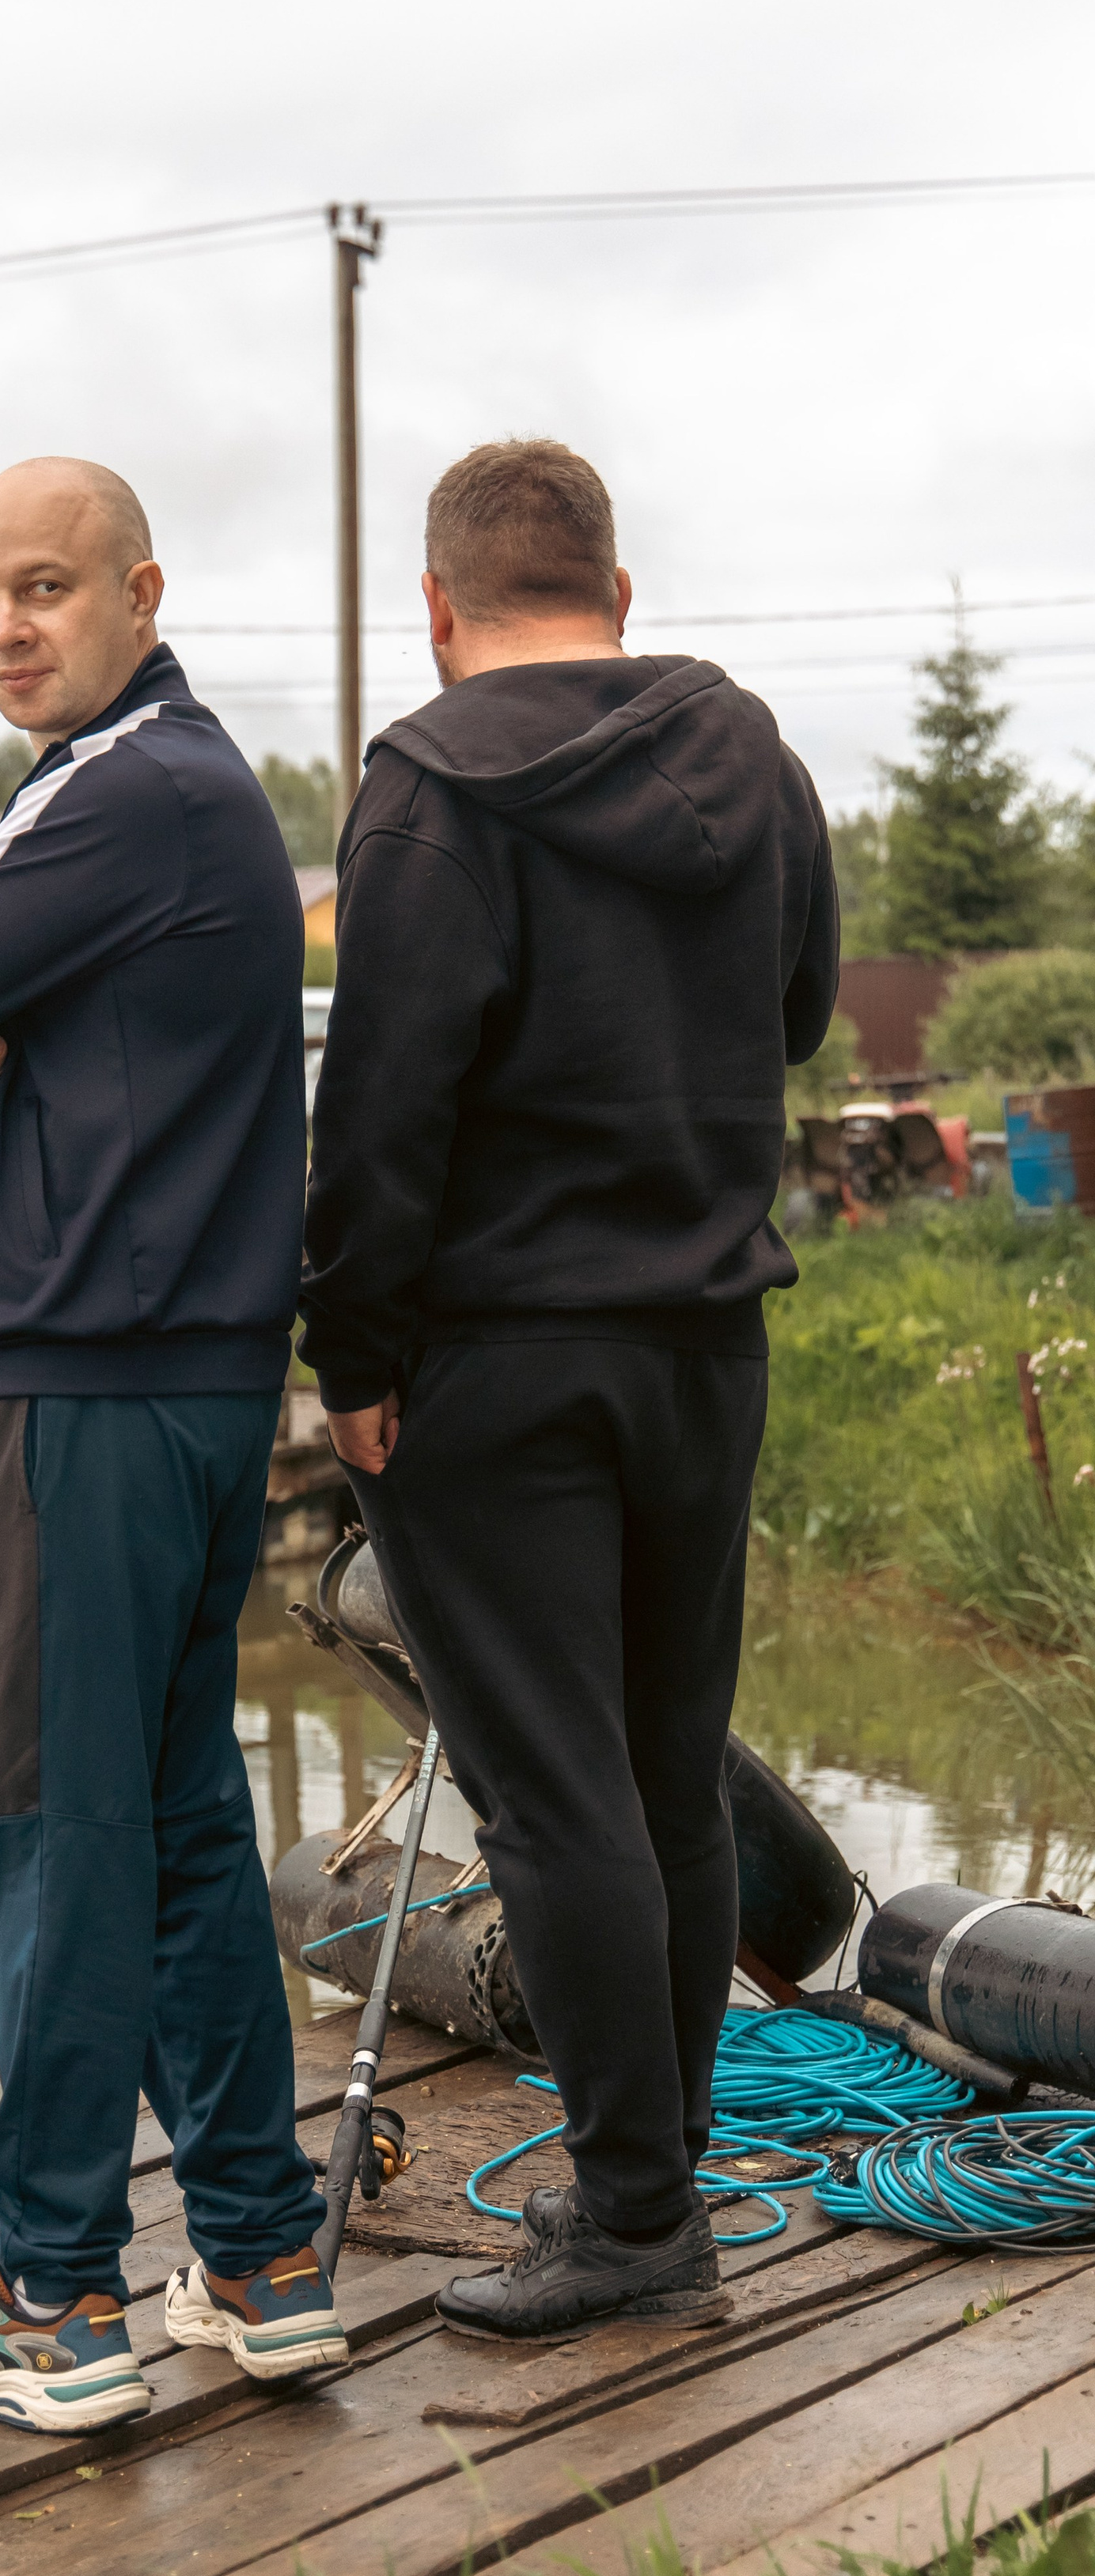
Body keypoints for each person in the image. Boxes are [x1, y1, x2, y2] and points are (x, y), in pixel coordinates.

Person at [299, 439, 838, 2344]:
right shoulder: (746, 757)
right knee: (665, 1768)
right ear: (614, 594)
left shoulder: (428, 793)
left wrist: (349, 1355)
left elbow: (382, 1110)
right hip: (705, 1342)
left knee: (551, 1799)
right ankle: (656, 2161)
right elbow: (793, 1013)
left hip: (499, 1359)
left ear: (435, 610)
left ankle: (628, 2222)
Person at [0, 457, 347, 2437]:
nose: (4, 629)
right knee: (179, 1822)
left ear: (140, 590)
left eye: (41, 588)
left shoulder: (128, 792)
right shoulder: (153, 798)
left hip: (82, 1382)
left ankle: (49, 2295)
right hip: (183, 1379)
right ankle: (260, 2248)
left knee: (40, 1833)